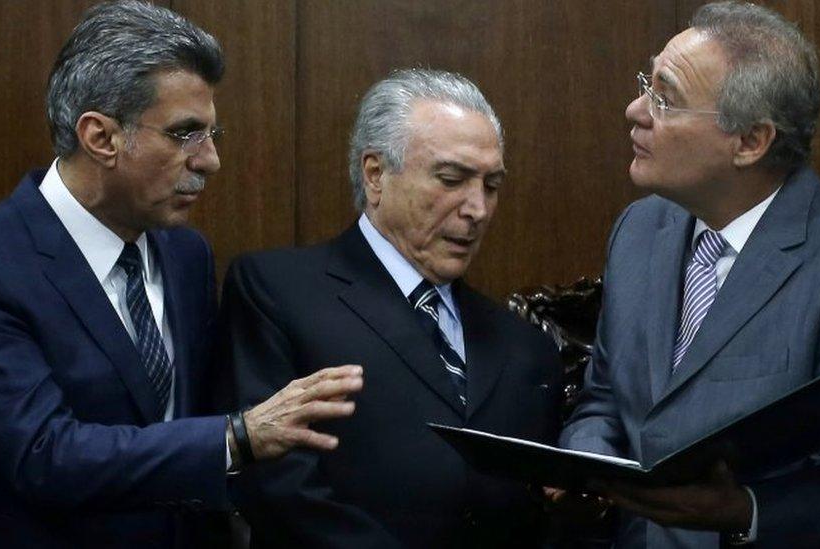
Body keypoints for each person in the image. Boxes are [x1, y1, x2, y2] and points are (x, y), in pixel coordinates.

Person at [0, 2, 362, 548]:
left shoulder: (185, 254)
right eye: (185, 134)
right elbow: (43, 454)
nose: (211, 161)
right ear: (101, 137)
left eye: (213, 133)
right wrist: (237, 436)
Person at [553, 1, 820, 547]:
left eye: (666, 98)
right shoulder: (640, 230)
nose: (635, 110)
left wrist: (742, 512)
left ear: (751, 141)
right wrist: (587, 459)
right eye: (646, 83)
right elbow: (605, 398)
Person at [217, 68, 563, 547]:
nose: (478, 209)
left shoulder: (525, 346)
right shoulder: (277, 291)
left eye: (491, 185)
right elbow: (277, 483)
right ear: (376, 174)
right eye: (452, 179)